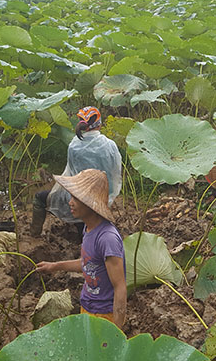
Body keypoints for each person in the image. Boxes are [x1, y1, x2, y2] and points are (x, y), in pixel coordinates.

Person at [36, 169, 126, 329]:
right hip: (87, 306)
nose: (70, 202)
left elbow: (120, 287)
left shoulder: (107, 238)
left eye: (76, 198)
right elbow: (88, 263)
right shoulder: (88, 228)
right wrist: (55, 267)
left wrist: (117, 331)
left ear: (90, 203)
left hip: (104, 315)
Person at [30, 106, 122, 237]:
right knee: (88, 232)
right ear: (99, 124)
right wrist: (109, 197)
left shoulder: (74, 145)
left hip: (78, 198)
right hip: (102, 200)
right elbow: (115, 174)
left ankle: (34, 235)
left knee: (40, 199)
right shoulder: (110, 145)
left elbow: (72, 175)